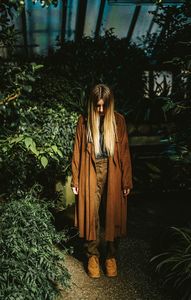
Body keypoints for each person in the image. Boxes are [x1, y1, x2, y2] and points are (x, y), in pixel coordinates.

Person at [71, 83, 133, 278]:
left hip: (112, 169)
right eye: (97, 106)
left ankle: (111, 257)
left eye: (103, 106)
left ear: (110, 104)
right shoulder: (83, 121)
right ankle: (92, 256)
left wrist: (126, 180)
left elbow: (124, 152)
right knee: (92, 215)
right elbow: (77, 152)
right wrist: (75, 180)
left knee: (112, 213)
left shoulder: (118, 121)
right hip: (89, 170)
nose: (100, 110)